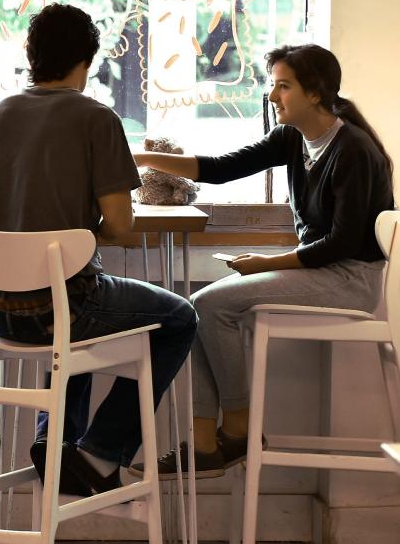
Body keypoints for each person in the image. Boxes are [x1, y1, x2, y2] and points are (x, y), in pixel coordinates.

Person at [0, 3, 198, 496]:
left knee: (70, 318)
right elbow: (123, 225)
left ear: (30, 55)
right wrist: (79, 237)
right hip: (62, 306)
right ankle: (101, 452)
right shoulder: (96, 119)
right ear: (88, 61)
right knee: (178, 319)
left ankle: (56, 439)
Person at [133, 43, 394, 478]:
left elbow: (343, 243)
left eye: (283, 86)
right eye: (273, 85)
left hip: (351, 278)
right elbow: (218, 168)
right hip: (320, 267)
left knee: (207, 305)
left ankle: (237, 430)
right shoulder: (293, 138)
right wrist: (140, 159)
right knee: (195, 309)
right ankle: (205, 442)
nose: (273, 97)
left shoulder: (353, 151)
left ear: (315, 93)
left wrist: (269, 264)